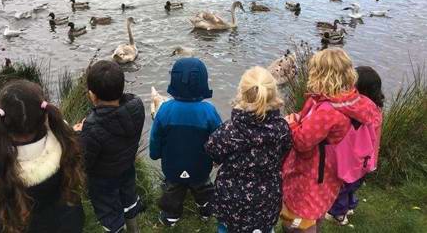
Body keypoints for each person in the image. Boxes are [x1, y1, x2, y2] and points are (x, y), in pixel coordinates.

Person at [281, 49, 380, 233]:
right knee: (316, 210)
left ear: (320, 74)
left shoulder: (328, 111)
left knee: (299, 216)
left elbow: (302, 142)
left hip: (312, 173)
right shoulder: (351, 101)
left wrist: (292, 123)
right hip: (329, 171)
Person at [0, 80, 85, 233]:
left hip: (18, 226)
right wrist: (75, 132)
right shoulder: (64, 142)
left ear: (2, 123)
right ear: (44, 114)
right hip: (67, 222)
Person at [205, 66, 292, 233]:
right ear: (273, 94)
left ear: (242, 94)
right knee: (265, 228)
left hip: (231, 199)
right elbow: (285, 150)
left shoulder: (229, 131)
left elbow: (211, 150)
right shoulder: (282, 128)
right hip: (267, 197)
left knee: (226, 228)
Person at [149, 58, 222, 226]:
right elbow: (219, 138)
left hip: (172, 167)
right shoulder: (209, 111)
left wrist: (155, 154)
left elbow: (155, 137)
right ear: (203, 83)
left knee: (172, 190)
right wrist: (218, 159)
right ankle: (205, 210)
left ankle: (171, 216)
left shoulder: (165, 110)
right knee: (203, 187)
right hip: (201, 167)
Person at [77, 60, 145, 233]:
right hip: (127, 169)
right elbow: (115, 123)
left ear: (92, 96)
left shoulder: (92, 127)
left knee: (110, 214)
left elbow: (86, 161)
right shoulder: (137, 107)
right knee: (129, 202)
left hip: (103, 181)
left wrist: (79, 134)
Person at [326, 66, 384, 225]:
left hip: (351, 160)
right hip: (366, 159)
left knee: (342, 188)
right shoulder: (377, 110)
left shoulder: (354, 112)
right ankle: (350, 205)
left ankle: (337, 214)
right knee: (353, 185)